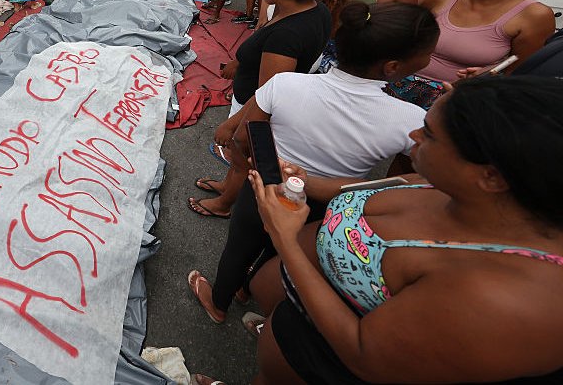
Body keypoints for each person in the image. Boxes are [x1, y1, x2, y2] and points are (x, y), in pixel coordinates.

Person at [201, 75, 563, 385]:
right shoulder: (444, 181)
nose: (413, 134)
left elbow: (364, 354)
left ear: (491, 176)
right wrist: (301, 182)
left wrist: (286, 241)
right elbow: (362, 191)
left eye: (431, 135)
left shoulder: (511, 301)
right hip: (296, 320)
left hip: (322, 362)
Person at [189, 2, 437, 326]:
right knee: (281, 251)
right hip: (330, 208)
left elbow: (243, 139)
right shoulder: (413, 121)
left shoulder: (285, 85)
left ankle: (219, 301)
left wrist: (256, 168)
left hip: (264, 190)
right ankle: (249, 288)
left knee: (239, 246)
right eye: (428, 54)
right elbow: (399, 183)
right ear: (393, 67)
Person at [192, 0, 340, 218]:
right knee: (238, 160)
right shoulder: (314, 10)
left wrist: (232, 124)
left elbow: (268, 93)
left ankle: (225, 205)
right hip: (251, 98)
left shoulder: (288, 34)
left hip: (254, 109)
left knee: (240, 154)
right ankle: (227, 187)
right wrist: (241, 62)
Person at [389, 0, 556, 110]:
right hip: (393, 84)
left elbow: (518, 67)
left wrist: (487, 75)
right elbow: (405, 37)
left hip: (455, 100)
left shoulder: (534, 16)